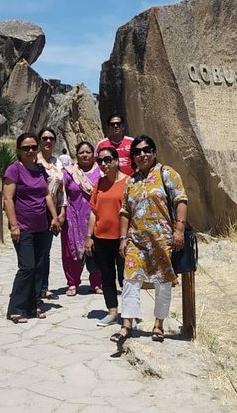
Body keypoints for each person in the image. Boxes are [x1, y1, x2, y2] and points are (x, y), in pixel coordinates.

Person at [114, 135, 188, 344]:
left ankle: (158, 325)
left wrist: (179, 231)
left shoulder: (167, 174)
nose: (142, 154)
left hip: (162, 240)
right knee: (130, 280)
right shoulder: (131, 181)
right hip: (136, 241)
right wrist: (122, 238)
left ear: (154, 152)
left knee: (162, 283)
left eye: (147, 149)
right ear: (133, 157)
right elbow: (125, 211)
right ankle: (126, 324)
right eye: (137, 151)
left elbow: (181, 200)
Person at [3, 133, 60, 323]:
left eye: (33, 147)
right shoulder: (14, 170)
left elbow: (46, 195)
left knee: (38, 267)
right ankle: (15, 309)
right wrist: (13, 225)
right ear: (19, 150)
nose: (30, 151)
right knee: (27, 267)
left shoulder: (39, 169)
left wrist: (54, 217)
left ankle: (33, 305)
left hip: (41, 226)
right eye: (25, 148)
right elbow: (8, 199)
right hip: (23, 226)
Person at [85, 147, 129, 327]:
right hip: (101, 238)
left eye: (108, 159)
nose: (104, 164)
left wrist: (126, 237)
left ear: (117, 161)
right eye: (100, 161)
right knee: (107, 276)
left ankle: (128, 316)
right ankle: (112, 312)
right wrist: (89, 236)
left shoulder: (128, 182)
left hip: (122, 238)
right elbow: (94, 212)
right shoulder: (99, 183)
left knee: (125, 278)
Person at [58, 141, 103, 296]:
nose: (84, 155)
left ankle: (97, 283)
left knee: (97, 250)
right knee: (71, 252)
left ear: (93, 155)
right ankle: (72, 283)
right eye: (81, 152)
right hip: (73, 217)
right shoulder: (69, 172)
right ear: (76, 155)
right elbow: (62, 193)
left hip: (95, 217)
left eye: (88, 152)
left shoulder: (101, 171)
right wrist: (62, 214)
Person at [35, 127, 63, 300]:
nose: (48, 141)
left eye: (51, 138)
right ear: (39, 140)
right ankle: (34, 288)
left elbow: (63, 188)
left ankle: (43, 287)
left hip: (51, 212)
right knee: (36, 252)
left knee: (45, 252)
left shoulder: (57, 162)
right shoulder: (34, 160)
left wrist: (61, 211)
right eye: (44, 138)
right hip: (36, 210)